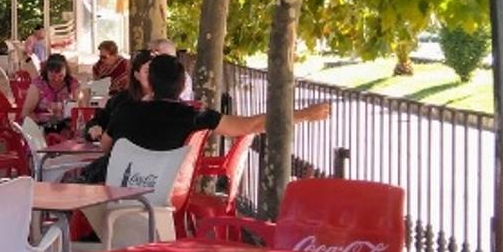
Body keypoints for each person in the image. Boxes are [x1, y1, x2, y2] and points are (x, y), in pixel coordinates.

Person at [83, 54, 332, 181]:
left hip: (120, 191)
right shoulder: (195, 115)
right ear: (182, 86)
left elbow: (105, 147)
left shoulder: (125, 111)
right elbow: (253, 124)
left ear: (150, 81)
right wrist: (306, 114)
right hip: (168, 195)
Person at [19, 54, 80, 134]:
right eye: (52, 76)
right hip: (41, 126)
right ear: (46, 72)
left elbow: (78, 109)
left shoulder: (72, 84)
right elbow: (25, 113)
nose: (57, 79)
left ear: (66, 72)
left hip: (66, 126)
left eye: (60, 76)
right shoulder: (38, 85)